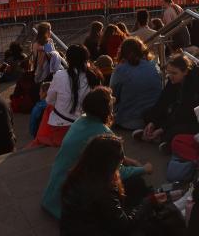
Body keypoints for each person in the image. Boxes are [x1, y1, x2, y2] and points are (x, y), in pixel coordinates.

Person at [43, 88, 152, 220]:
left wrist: (127, 159)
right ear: (105, 109)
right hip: (69, 203)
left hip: (52, 196)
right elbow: (117, 172)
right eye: (111, 100)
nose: (113, 100)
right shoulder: (103, 133)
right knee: (135, 183)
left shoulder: (80, 121)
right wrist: (144, 169)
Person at [59, 135, 162, 235]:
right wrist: (148, 202)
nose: (121, 162)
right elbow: (124, 227)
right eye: (120, 160)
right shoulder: (103, 190)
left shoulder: (78, 175)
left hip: (75, 228)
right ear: (110, 164)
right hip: (95, 230)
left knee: (135, 183)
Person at [35, 44, 101, 147]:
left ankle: (39, 136)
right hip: (86, 125)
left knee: (48, 108)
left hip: (62, 128)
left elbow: (49, 100)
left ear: (68, 59)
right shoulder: (94, 76)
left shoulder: (60, 75)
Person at [142, 54, 199, 146]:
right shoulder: (174, 79)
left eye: (174, 73)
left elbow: (185, 112)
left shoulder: (195, 84)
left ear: (185, 72)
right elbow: (163, 100)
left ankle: (163, 139)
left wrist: (162, 128)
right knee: (148, 114)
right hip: (177, 113)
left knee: (174, 130)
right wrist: (152, 122)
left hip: (192, 119)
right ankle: (154, 135)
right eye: (169, 73)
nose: (170, 76)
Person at [110, 37, 162, 132]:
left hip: (129, 121)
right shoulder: (153, 65)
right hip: (153, 119)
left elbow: (112, 95)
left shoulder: (120, 70)